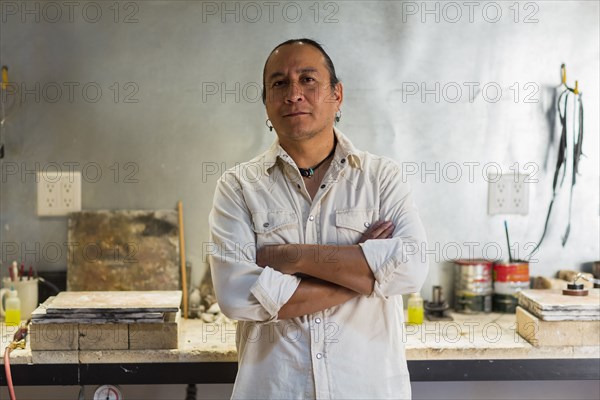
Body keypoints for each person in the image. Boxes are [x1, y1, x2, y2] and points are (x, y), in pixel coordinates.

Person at [208, 38, 428, 399]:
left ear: (337, 95)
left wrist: (293, 257)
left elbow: (411, 269)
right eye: (279, 83)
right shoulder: (238, 186)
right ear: (266, 102)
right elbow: (235, 296)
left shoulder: (381, 178)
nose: (294, 94)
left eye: (308, 79)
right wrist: (362, 276)